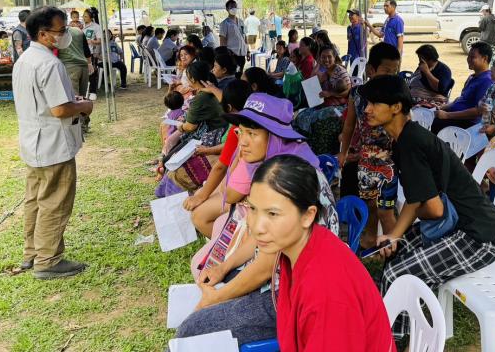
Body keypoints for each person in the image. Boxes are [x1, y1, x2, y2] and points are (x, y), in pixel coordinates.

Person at [172, 93, 338, 347]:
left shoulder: (288, 183)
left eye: (253, 134)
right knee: (216, 280)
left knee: (193, 329)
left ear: (275, 137)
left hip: (297, 296)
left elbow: (267, 264)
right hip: (279, 278)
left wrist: (217, 299)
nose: (243, 142)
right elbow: (259, 237)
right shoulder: (275, 167)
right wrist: (223, 267)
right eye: (241, 132)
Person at [360, 75, 495, 341]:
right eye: (367, 103)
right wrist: (396, 235)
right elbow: (417, 200)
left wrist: (395, 233)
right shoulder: (406, 138)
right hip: (458, 225)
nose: (367, 109)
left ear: (396, 107)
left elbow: (434, 210)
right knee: (397, 255)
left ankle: (390, 341)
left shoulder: (410, 142)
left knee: (396, 273)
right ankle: (388, 327)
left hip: (480, 237)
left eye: (374, 103)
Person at [249, 155, 397, 352]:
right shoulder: (299, 246)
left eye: (273, 214)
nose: (257, 227)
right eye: (252, 208)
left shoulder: (327, 291)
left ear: (308, 215)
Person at [11, 7, 94, 279]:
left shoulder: (25, 60)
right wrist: (83, 106)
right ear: (43, 34)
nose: (65, 34)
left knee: (35, 199)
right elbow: (59, 109)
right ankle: (47, 260)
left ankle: (32, 253)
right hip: (53, 144)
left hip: (33, 142)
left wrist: (72, 101)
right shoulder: (49, 63)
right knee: (55, 202)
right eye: (61, 30)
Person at [338, 42, 402, 248]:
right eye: (387, 71)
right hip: (366, 160)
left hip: (390, 161)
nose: (392, 76)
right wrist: (343, 153)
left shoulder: (396, 94)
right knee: (369, 204)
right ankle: (370, 239)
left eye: (395, 71)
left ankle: (394, 246)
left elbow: (405, 124)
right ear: (371, 70)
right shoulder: (356, 94)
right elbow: (349, 126)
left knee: (386, 210)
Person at [183, 79, 252, 236]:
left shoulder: (240, 129)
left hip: (247, 197)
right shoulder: (247, 124)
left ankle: (228, 246)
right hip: (241, 188)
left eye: (252, 134)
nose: (245, 139)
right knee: (203, 194)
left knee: (199, 215)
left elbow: (224, 174)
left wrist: (203, 195)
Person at [157, 62, 227, 197]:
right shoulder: (212, 90)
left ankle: (169, 194)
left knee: (170, 161)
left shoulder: (201, 98)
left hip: (209, 137)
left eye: (187, 77)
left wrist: (181, 126)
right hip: (217, 132)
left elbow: (190, 126)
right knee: (170, 155)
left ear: (193, 79)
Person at [432, 41, 495, 134]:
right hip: (455, 117)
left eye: (472, 57)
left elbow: (478, 111)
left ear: (485, 58)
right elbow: (462, 99)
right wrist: (443, 107)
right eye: (468, 56)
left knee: (433, 123)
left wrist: (447, 115)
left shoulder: (487, 81)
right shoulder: (472, 77)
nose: (468, 59)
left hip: (469, 124)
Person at [57, 24, 93, 99]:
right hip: (83, 66)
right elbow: (86, 49)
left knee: (74, 98)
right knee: (82, 98)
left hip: (69, 67)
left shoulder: (57, 32)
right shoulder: (78, 31)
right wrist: (89, 63)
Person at [219, 0, 247, 76]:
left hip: (242, 53)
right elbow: (222, 40)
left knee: (240, 73)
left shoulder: (241, 22)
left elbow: (244, 36)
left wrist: (247, 50)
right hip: (232, 54)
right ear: (227, 9)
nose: (233, 8)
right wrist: (225, 54)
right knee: (234, 74)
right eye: (231, 7)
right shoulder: (225, 23)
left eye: (235, 6)